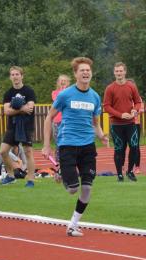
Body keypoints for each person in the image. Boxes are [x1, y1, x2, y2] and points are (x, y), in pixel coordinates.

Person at [42, 57, 109, 237]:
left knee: (87, 188)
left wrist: (101, 135)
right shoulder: (65, 95)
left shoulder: (95, 96)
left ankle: (73, 225)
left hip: (88, 146)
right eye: (82, 70)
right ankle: (62, 172)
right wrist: (46, 145)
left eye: (88, 70)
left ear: (91, 73)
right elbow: (49, 118)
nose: (85, 73)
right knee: (72, 189)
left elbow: (95, 123)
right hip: (68, 145)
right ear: (76, 74)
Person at [103, 62, 142, 182]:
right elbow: (106, 106)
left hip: (131, 123)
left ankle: (130, 171)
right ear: (114, 72)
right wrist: (120, 115)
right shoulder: (110, 88)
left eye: (121, 71)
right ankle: (119, 174)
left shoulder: (131, 86)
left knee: (134, 147)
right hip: (116, 125)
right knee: (119, 149)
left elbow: (138, 102)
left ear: (125, 72)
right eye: (117, 71)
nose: (119, 73)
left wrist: (135, 111)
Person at [0, 66, 36, 187]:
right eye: (13, 74)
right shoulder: (8, 93)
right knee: (3, 151)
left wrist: (15, 107)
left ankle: (30, 180)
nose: (15, 76)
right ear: (10, 77)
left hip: (26, 125)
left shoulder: (29, 91)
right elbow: (7, 111)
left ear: (22, 76)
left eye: (17, 74)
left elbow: (30, 109)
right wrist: (21, 108)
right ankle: (10, 176)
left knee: (28, 152)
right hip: (12, 125)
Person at [51, 74, 71, 162]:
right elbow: (59, 101)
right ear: (58, 83)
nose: (63, 82)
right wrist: (63, 90)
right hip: (57, 122)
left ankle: (69, 162)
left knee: (69, 143)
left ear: (68, 83)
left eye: (65, 81)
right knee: (58, 143)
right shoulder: (54, 93)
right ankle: (58, 164)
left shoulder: (72, 92)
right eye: (61, 81)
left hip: (68, 122)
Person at [133, 96, 144, 174]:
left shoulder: (138, 98)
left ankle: (137, 167)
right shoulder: (123, 95)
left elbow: (142, 110)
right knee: (123, 145)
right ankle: (122, 166)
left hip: (136, 124)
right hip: (124, 123)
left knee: (136, 145)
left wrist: (135, 112)